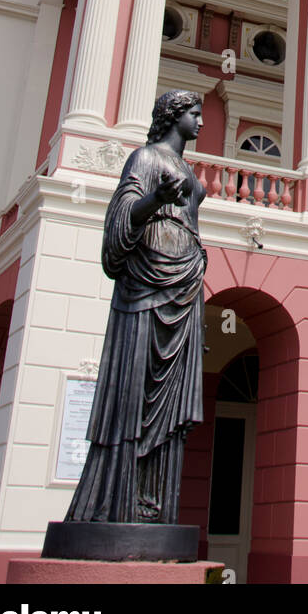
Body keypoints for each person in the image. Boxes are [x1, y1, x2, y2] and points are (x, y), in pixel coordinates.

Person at [65, 90, 208, 525]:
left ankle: (153, 504)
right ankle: (115, 501)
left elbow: (192, 226)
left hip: (184, 286)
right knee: (134, 393)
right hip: (146, 287)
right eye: (195, 114)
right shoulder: (146, 160)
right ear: (173, 117)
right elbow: (121, 221)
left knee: (168, 406)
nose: (201, 122)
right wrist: (156, 200)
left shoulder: (189, 171)